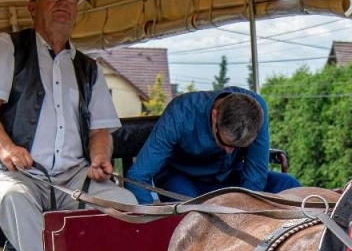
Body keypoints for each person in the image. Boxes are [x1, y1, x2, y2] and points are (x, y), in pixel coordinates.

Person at [0, 0, 132, 251]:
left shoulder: (89, 68)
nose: (64, 2)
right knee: (13, 197)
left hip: (74, 178)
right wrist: (7, 149)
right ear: (33, 7)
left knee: (127, 204)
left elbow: (100, 130)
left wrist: (100, 158)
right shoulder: (7, 47)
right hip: (20, 173)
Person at [126, 87, 299, 203]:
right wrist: (151, 219)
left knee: (290, 187)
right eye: (225, 142)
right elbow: (137, 177)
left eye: (239, 146)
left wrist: (243, 211)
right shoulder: (181, 112)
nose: (230, 151)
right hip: (181, 177)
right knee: (192, 214)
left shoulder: (258, 109)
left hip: (230, 176)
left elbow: (255, 177)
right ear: (215, 116)